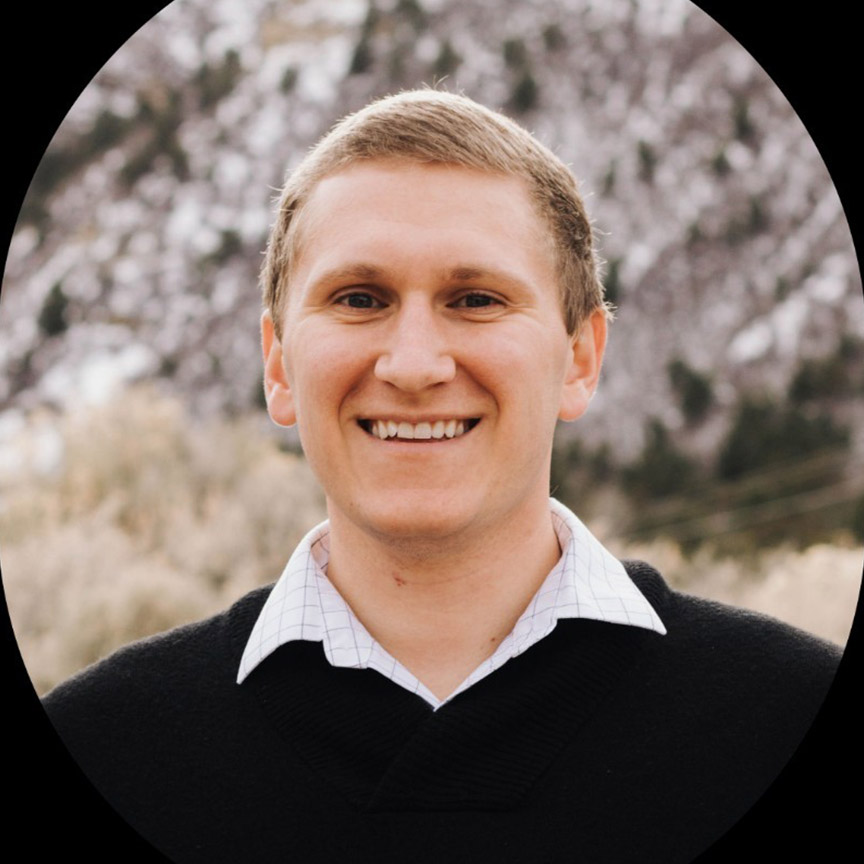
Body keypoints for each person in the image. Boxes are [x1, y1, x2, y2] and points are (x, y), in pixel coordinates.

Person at [40, 90, 843, 863]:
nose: (414, 364)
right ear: (278, 366)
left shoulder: (787, 717)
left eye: (476, 299)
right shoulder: (103, 749)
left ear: (580, 359)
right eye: (360, 298)